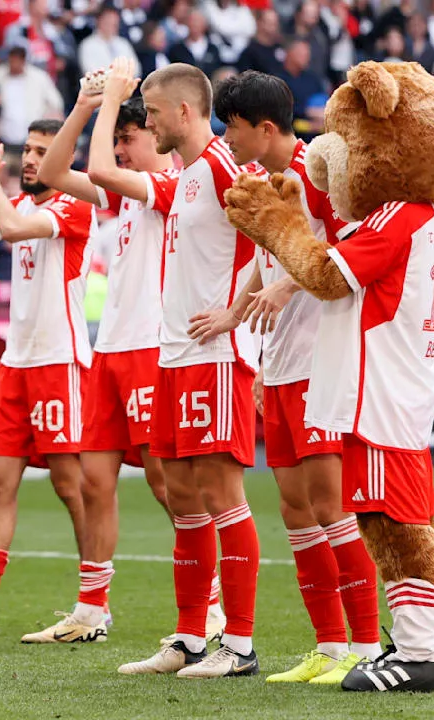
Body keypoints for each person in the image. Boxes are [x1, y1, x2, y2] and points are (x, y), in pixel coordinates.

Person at [198, 70, 382, 684]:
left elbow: (350, 251)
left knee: (332, 506)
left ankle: (363, 645)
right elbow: (265, 256)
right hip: (278, 362)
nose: (228, 139)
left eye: (234, 128)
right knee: (297, 512)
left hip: (322, 359)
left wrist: (285, 282)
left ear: (267, 128)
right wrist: (236, 315)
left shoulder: (321, 174)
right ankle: (328, 647)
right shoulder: (258, 181)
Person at [36, 58, 210, 645]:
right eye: (117, 142)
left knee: (169, 484)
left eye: (129, 138)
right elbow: (58, 171)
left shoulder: (172, 185)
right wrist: (86, 107)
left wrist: (111, 96)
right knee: (94, 482)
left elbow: (100, 172)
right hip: (109, 350)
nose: (121, 149)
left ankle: (209, 602)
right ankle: (91, 607)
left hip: (149, 350)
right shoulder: (130, 195)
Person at [101, 62, 264, 679]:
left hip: (215, 357)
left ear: (185, 113)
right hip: (172, 355)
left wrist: (235, 312)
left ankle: (240, 646)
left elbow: (280, 236)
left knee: (222, 497)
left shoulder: (227, 166)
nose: (146, 121)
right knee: (186, 501)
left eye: (151, 111)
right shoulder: (188, 175)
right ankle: (192, 637)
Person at [0, 120, 100, 643]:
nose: (30, 159)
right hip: (20, 365)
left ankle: (94, 605)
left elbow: (12, 230)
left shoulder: (73, 203)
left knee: (73, 486)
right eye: (28, 149)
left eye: (43, 151)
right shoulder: (18, 204)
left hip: (59, 359)